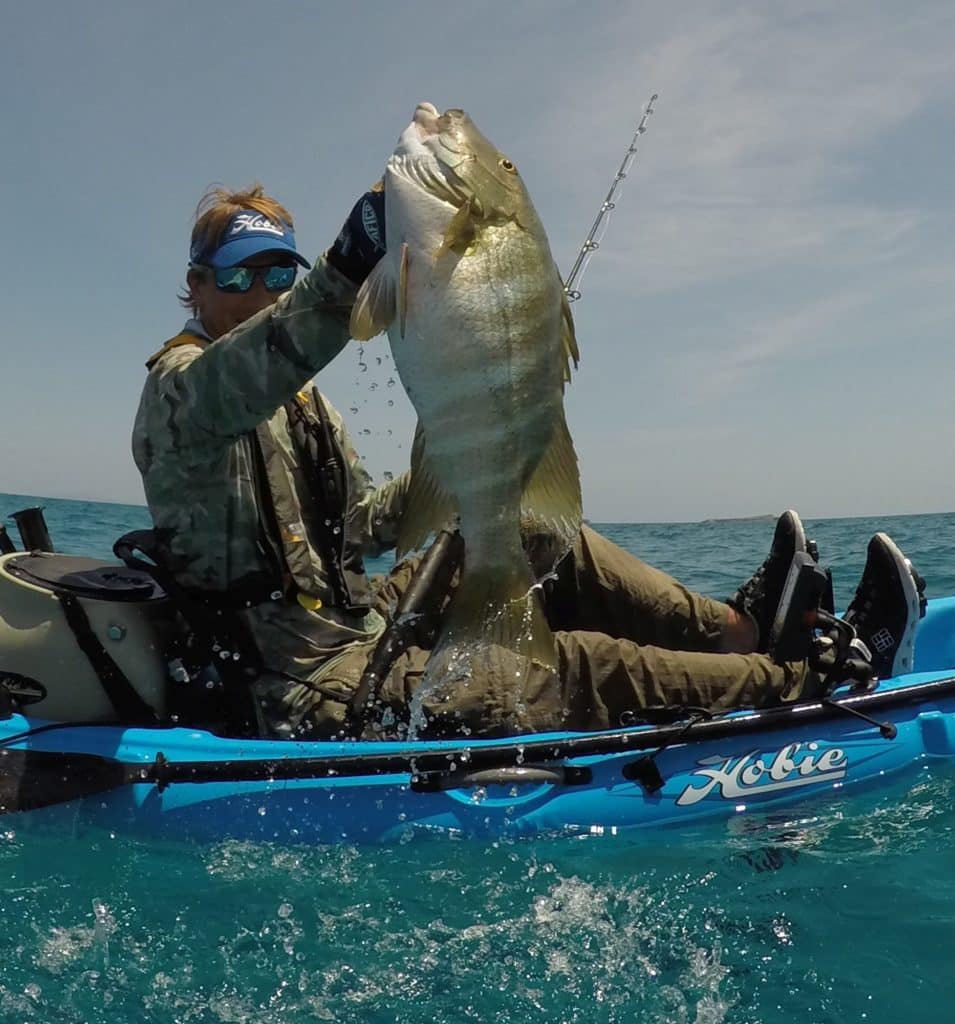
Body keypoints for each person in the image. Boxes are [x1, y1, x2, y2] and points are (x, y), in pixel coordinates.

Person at [132, 182, 925, 740]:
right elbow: (242, 376)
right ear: (196, 289)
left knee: (539, 529)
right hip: (301, 685)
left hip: (360, 619)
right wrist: (342, 271)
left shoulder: (301, 405)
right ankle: (813, 685)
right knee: (573, 667)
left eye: (281, 273)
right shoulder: (181, 392)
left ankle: (741, 630)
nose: (263, 291)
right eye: (239, 275)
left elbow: (364, 530)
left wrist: (483, 444)